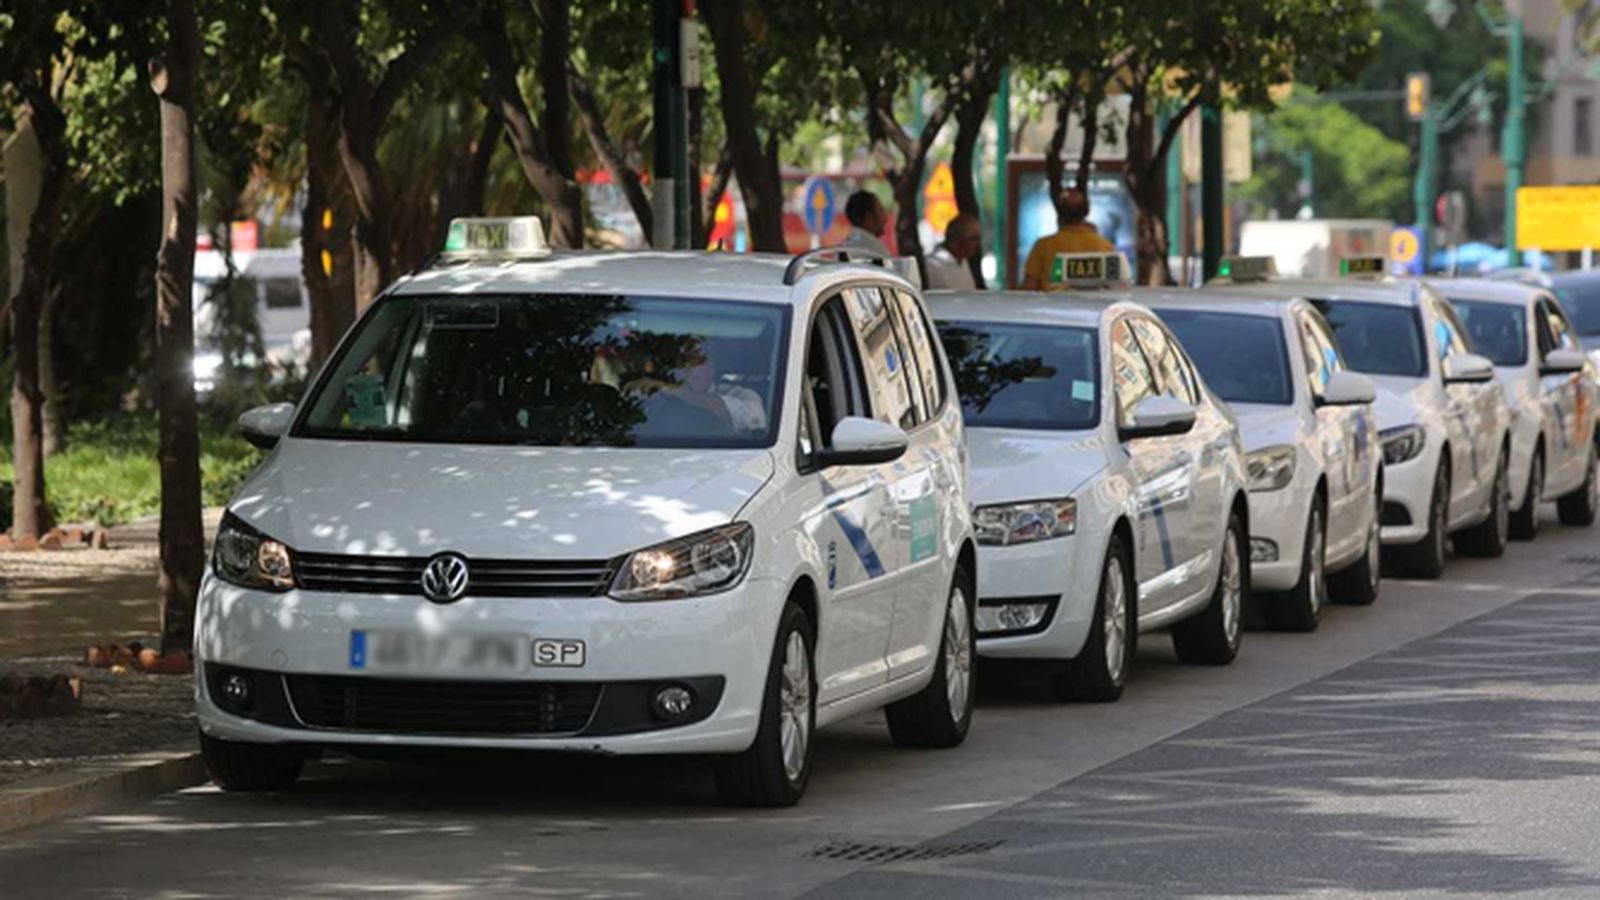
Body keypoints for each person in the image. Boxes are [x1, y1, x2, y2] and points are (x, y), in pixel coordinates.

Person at [1022, 188, 1114, 290]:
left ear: (1059, 212)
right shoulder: (1105, 246)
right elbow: (1112, 287)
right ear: (1086, 212)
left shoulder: (1043, 245)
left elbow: (1029, 287)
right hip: (1090, 305)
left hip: (1051, 305)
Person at [925, 213, 982, 290]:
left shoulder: (963, 261)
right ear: (958, 239)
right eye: (974, 238)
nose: (978, 244)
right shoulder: (933, 266)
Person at [839, 190, 891, 257]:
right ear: (869, 219)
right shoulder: (874, 250)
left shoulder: (843, 248)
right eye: (881, 210)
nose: (885, 218)